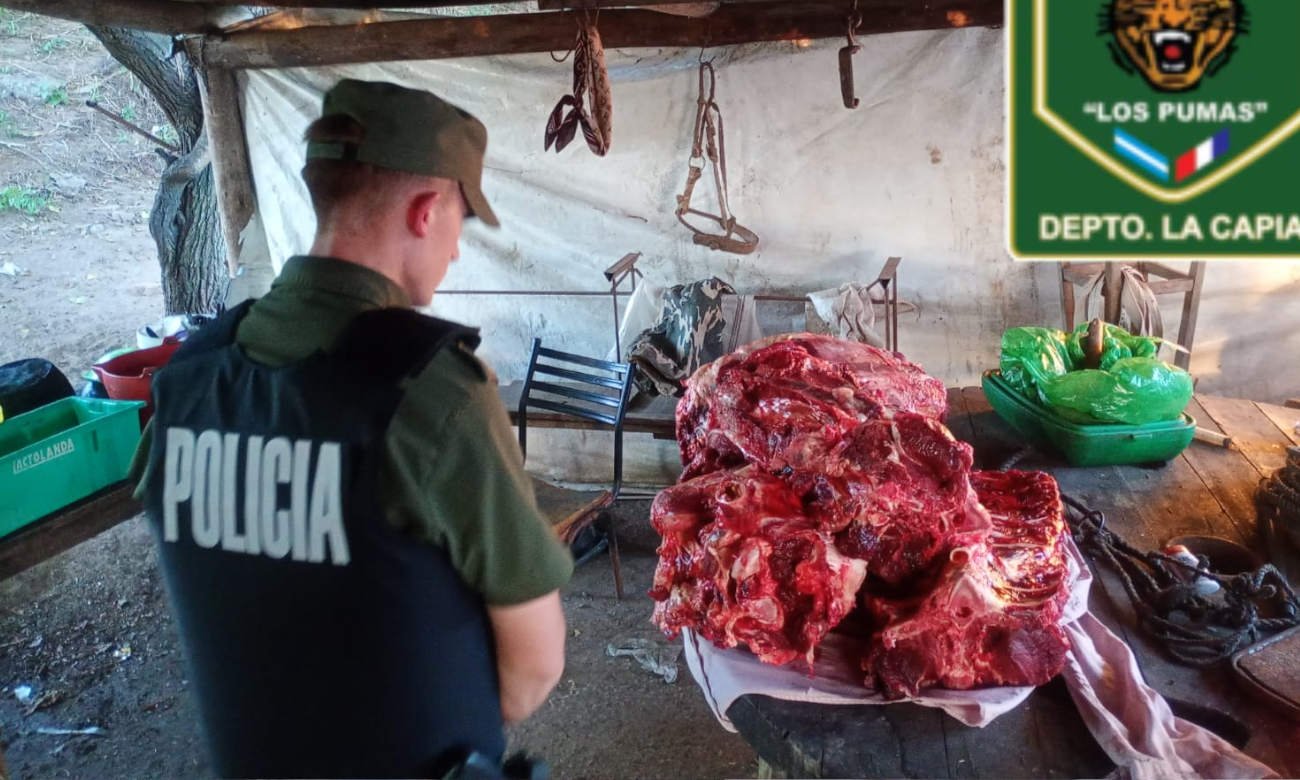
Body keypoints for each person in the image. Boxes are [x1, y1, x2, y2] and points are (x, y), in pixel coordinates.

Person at [129, 79, 573, 778]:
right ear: (428, 212)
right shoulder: (427, 389)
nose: (457, 250)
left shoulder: (188, 378)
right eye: (462, 221)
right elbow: (534, 668)